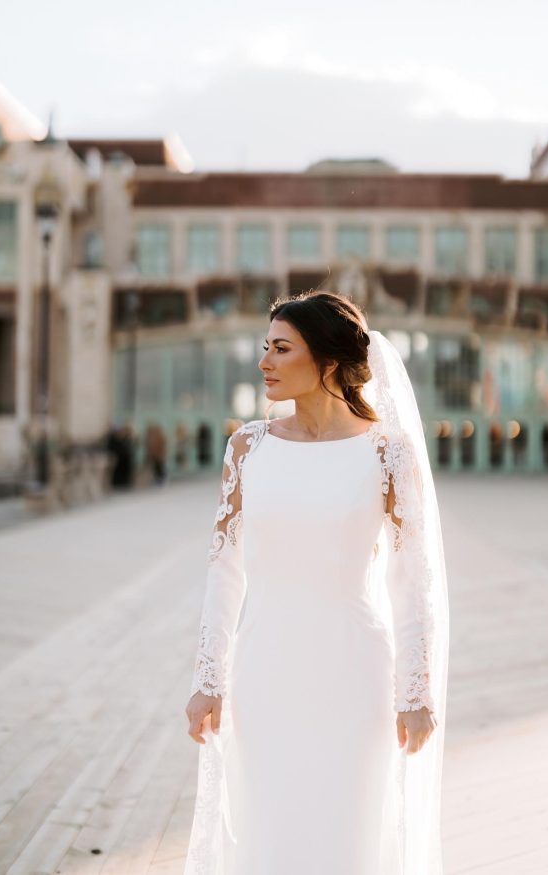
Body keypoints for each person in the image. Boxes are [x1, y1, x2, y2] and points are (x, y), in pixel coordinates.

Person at [183, 291, 450, 875]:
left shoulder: (388, 453)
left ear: (327, 360)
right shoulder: (247, 448)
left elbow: (412, 582)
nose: (264, 361)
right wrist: (209, 678)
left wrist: (414, 692)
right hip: (264, 672)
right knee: (269, 832)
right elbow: (224, 570)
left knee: (347, 835)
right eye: (265, 347)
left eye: (281, 348)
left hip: (355, 675)